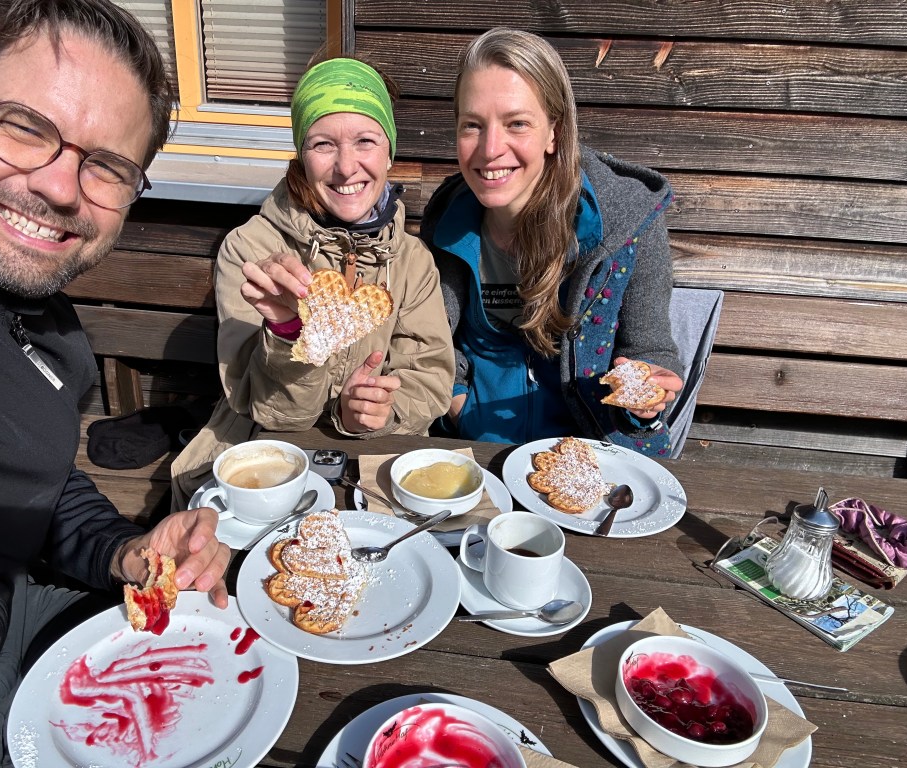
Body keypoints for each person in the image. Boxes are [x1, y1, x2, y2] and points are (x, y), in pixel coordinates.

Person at [0, 1, 231, 764]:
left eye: (107, 165)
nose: (62, 187)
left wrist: (124, 552)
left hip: (17, 612)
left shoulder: (33, 305)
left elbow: (37, 482)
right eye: (23, 125)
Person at [172, 57, 454, 503]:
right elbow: (273, 415)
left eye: (365, 140)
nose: (346, 167)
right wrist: (291, 334)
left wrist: (382, 410)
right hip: (261, 454)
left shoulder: (412, 261)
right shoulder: (250, 252)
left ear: (389, 151)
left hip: (370, 456)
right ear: (302, 156)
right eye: (323, 144)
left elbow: (429, 377)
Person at [420, 28, 685, 456]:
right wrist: (458, 404)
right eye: (473, 125)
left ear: (554, 133)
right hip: (471, 453)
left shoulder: (628, 223)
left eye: (517, 124)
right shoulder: (446, 220)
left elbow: (651, 350)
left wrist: (647, 394)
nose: (490, 149)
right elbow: (434, 341)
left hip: (596, 460)